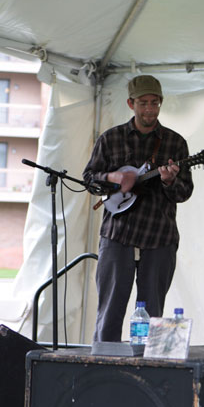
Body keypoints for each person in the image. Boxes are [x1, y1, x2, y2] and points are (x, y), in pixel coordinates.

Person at [83, 75, 194, 342]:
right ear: (130, 103)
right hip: (117, 233)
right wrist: (114, 178)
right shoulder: (111, 139)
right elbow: (89, 179)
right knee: (109, 311)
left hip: (159, 235)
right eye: (143, 103)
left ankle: (147, 371)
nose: (149, 109)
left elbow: (184, 192)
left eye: (155, 103)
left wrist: (169, 181)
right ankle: (104, 372)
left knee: (153, 315)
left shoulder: (175, 143)